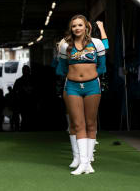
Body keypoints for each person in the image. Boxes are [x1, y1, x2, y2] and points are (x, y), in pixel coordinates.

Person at [56, 15, 106, 175]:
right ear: (71, 28)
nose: (77, 28)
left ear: (86, 27)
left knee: (91, 123)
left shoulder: (96, 43)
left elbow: (102, 66)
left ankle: (88, 162)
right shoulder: (65, 46)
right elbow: (63, 67)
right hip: (72, 86)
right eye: (74, 26)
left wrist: (90, 76)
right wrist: (75, 78)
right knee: (77, 124)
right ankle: (82, 162)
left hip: (92, 86)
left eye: (80, 25)